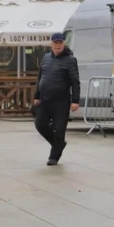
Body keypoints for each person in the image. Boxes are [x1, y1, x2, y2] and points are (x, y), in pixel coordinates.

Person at [33, 32, 80, 166]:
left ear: (64, 44)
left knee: (59, 129)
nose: (58, 45)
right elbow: (40, 77)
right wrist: (36, 95)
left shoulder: (70, 60)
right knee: (40, 124)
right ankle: (59, 144)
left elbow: (75, 81)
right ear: (51, 44)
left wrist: (75, 101)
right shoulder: (46, 58)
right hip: (45, 99)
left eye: (60, 43)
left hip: (61, 101)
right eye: (55, 43)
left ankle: (54, 156)